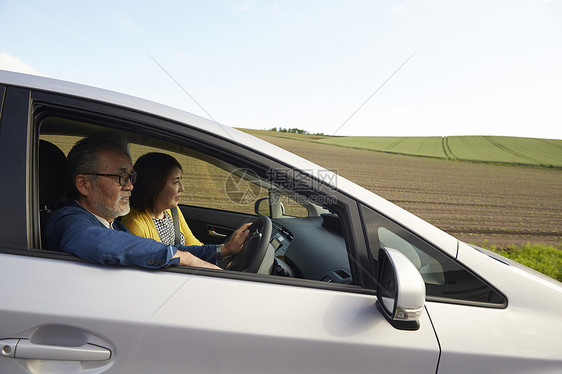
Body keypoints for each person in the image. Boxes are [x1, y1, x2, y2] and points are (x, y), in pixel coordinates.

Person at [45, 132, 251, 269]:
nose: (130, 186)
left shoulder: (112, 224)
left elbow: (153, 246)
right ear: (84, 184)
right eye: (121, 177)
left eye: (131, 177)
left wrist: (223, 250)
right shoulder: (68, 220)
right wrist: (182, 259)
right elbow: (92, 240)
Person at [121, 152, 203, 247]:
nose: (182, 188)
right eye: (176, 182)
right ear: (154, 186)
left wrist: (219, 252)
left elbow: (195, 246)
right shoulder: (135, 225)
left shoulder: (173, 211)